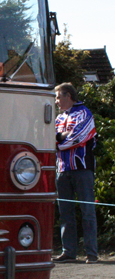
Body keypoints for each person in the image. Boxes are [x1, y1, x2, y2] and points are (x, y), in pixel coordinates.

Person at [53, 82, 99, 264]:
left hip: (82, 169)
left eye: (58, 97)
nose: (56, 101)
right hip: (62, 168)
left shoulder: (85, 113)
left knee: (87, 211)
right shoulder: (58, 118)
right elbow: (49, 137)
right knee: (65, 212)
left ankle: (91, 253)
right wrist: (61, 138)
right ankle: (69, 252)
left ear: (68, 96)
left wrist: (60, 139)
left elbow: (79, 137)